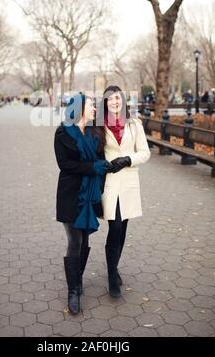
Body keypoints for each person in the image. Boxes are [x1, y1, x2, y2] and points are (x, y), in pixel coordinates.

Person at [54, 94, 113, 315]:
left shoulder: (93, 132)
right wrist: (92, 168)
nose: (95, 110)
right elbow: (65, 164)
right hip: (70, 193)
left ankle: (77, 282)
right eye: (91, 106)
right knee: (75, 240)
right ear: (79, 108)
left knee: (85, 239)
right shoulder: (62, 132)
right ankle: (72, 291)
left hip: (90, 194)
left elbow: (100, 156)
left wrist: (102, 166)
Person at [95, 85, 151, 298]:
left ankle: (114, 267)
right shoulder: (99, 125)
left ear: (122, 100)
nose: (114, 102)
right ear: (106, 103)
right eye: (110, 99)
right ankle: (112, 278)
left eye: (117, 98)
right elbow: (94, 151)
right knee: (115, 226)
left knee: (123, 228)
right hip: (109, 182)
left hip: (128, 181)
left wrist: (128, 159)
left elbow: (145, 153)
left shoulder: (134, 124)